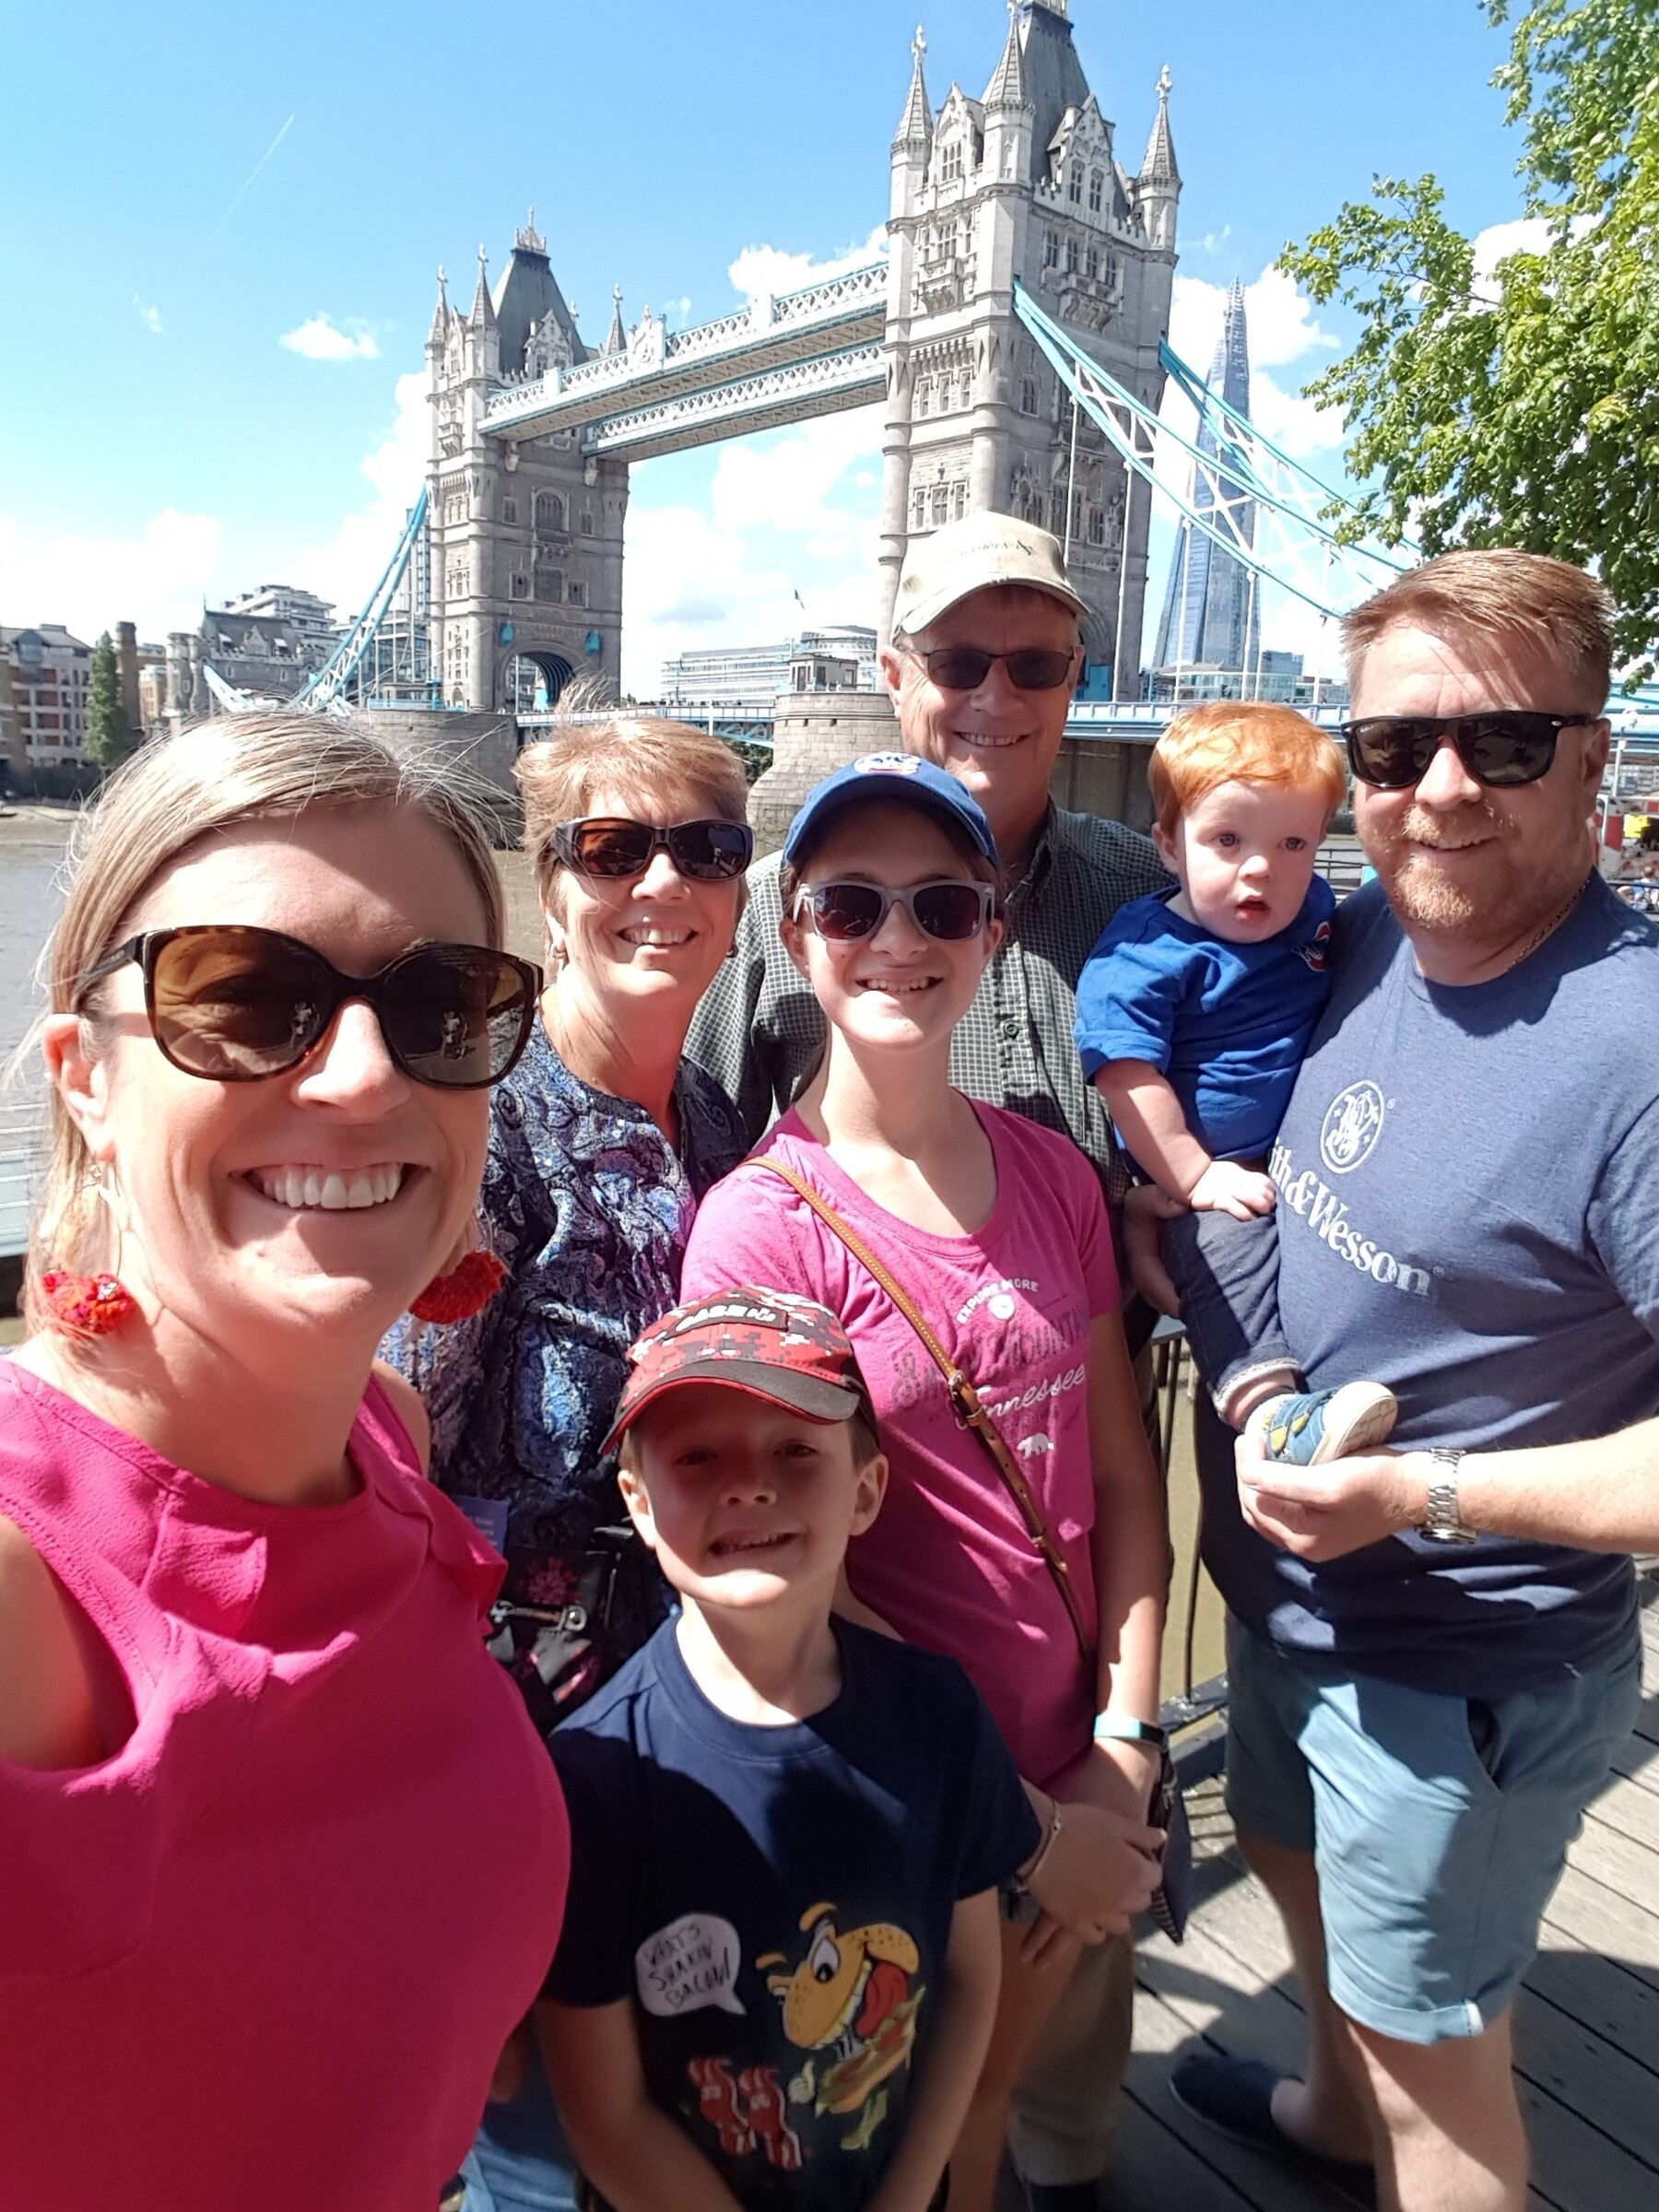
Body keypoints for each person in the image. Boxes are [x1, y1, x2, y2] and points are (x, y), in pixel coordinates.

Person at [0, 714, 570, 2212]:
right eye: (248, 999)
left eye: (444, 1004)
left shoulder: (390, 1434)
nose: (364, 1075)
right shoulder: (17, 1586)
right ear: (83, 1076)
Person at [1162, 550, 1659, 2212]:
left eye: (1503, 745)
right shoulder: (1352, 938)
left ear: (1595, 759)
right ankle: (1323, 2109)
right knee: (1299, 1876)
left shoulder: (1635, 1052)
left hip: (1467, 1669)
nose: (1437, 792)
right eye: (1388, 752)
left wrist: (1418, 1497)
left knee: (1439, 2086)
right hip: (1292, 1612)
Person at [682, 759, 1169, 2212]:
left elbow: (1125, 1482)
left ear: (998, 928)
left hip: (1087, 1751)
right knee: (925, 2148)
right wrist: (1027, 1820)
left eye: (943, 903)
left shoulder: (1055, 1176)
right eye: (852, 903)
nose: (899, 938)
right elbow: (782, 1585)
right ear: (792, 924)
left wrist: (1129, 1739)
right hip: (918, 1803)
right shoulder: (759, 1230)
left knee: (1037, 2121)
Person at [384, 714, 754, 2211]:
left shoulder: (727, 1120)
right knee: (530, 2178)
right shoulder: (491, 1136)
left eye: (705, 848)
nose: (661, 882)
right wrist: (434, 1879)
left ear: (742, 891)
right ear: (549, 889)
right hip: (516, 1773)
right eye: (613, 848)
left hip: (697, 1753)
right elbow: (393, 1498)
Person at [540, 1286, 1039, 2212]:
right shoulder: (591, 1780)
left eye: (796, 1450)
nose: (748, 1483)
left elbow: (972, 1981)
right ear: (641, 1505)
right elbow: (607, 2119)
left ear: (866, 1491)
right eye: (698, 1455)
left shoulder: (943, 1718)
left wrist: (911, 2192)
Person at [686, 512, 1171, 1221]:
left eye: (1035, 667)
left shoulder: (1151, 896)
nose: (997, 699)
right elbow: (690, 1171)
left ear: (1074, 680)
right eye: (958, 664)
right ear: (894, 674)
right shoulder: (769, 906)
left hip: (1107, 1326)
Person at [1075, 701, 1397, 1463]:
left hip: (1296, 1163)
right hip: (1208, 1174)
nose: (1262, 868)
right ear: (1168, 846)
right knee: (1229, 1263)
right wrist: (1195, 1176)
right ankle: (1271, 1417)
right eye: (1227, 841)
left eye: (1293, 844)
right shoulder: (1145, 955)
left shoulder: (1316, 910)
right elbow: (1127, 1078)